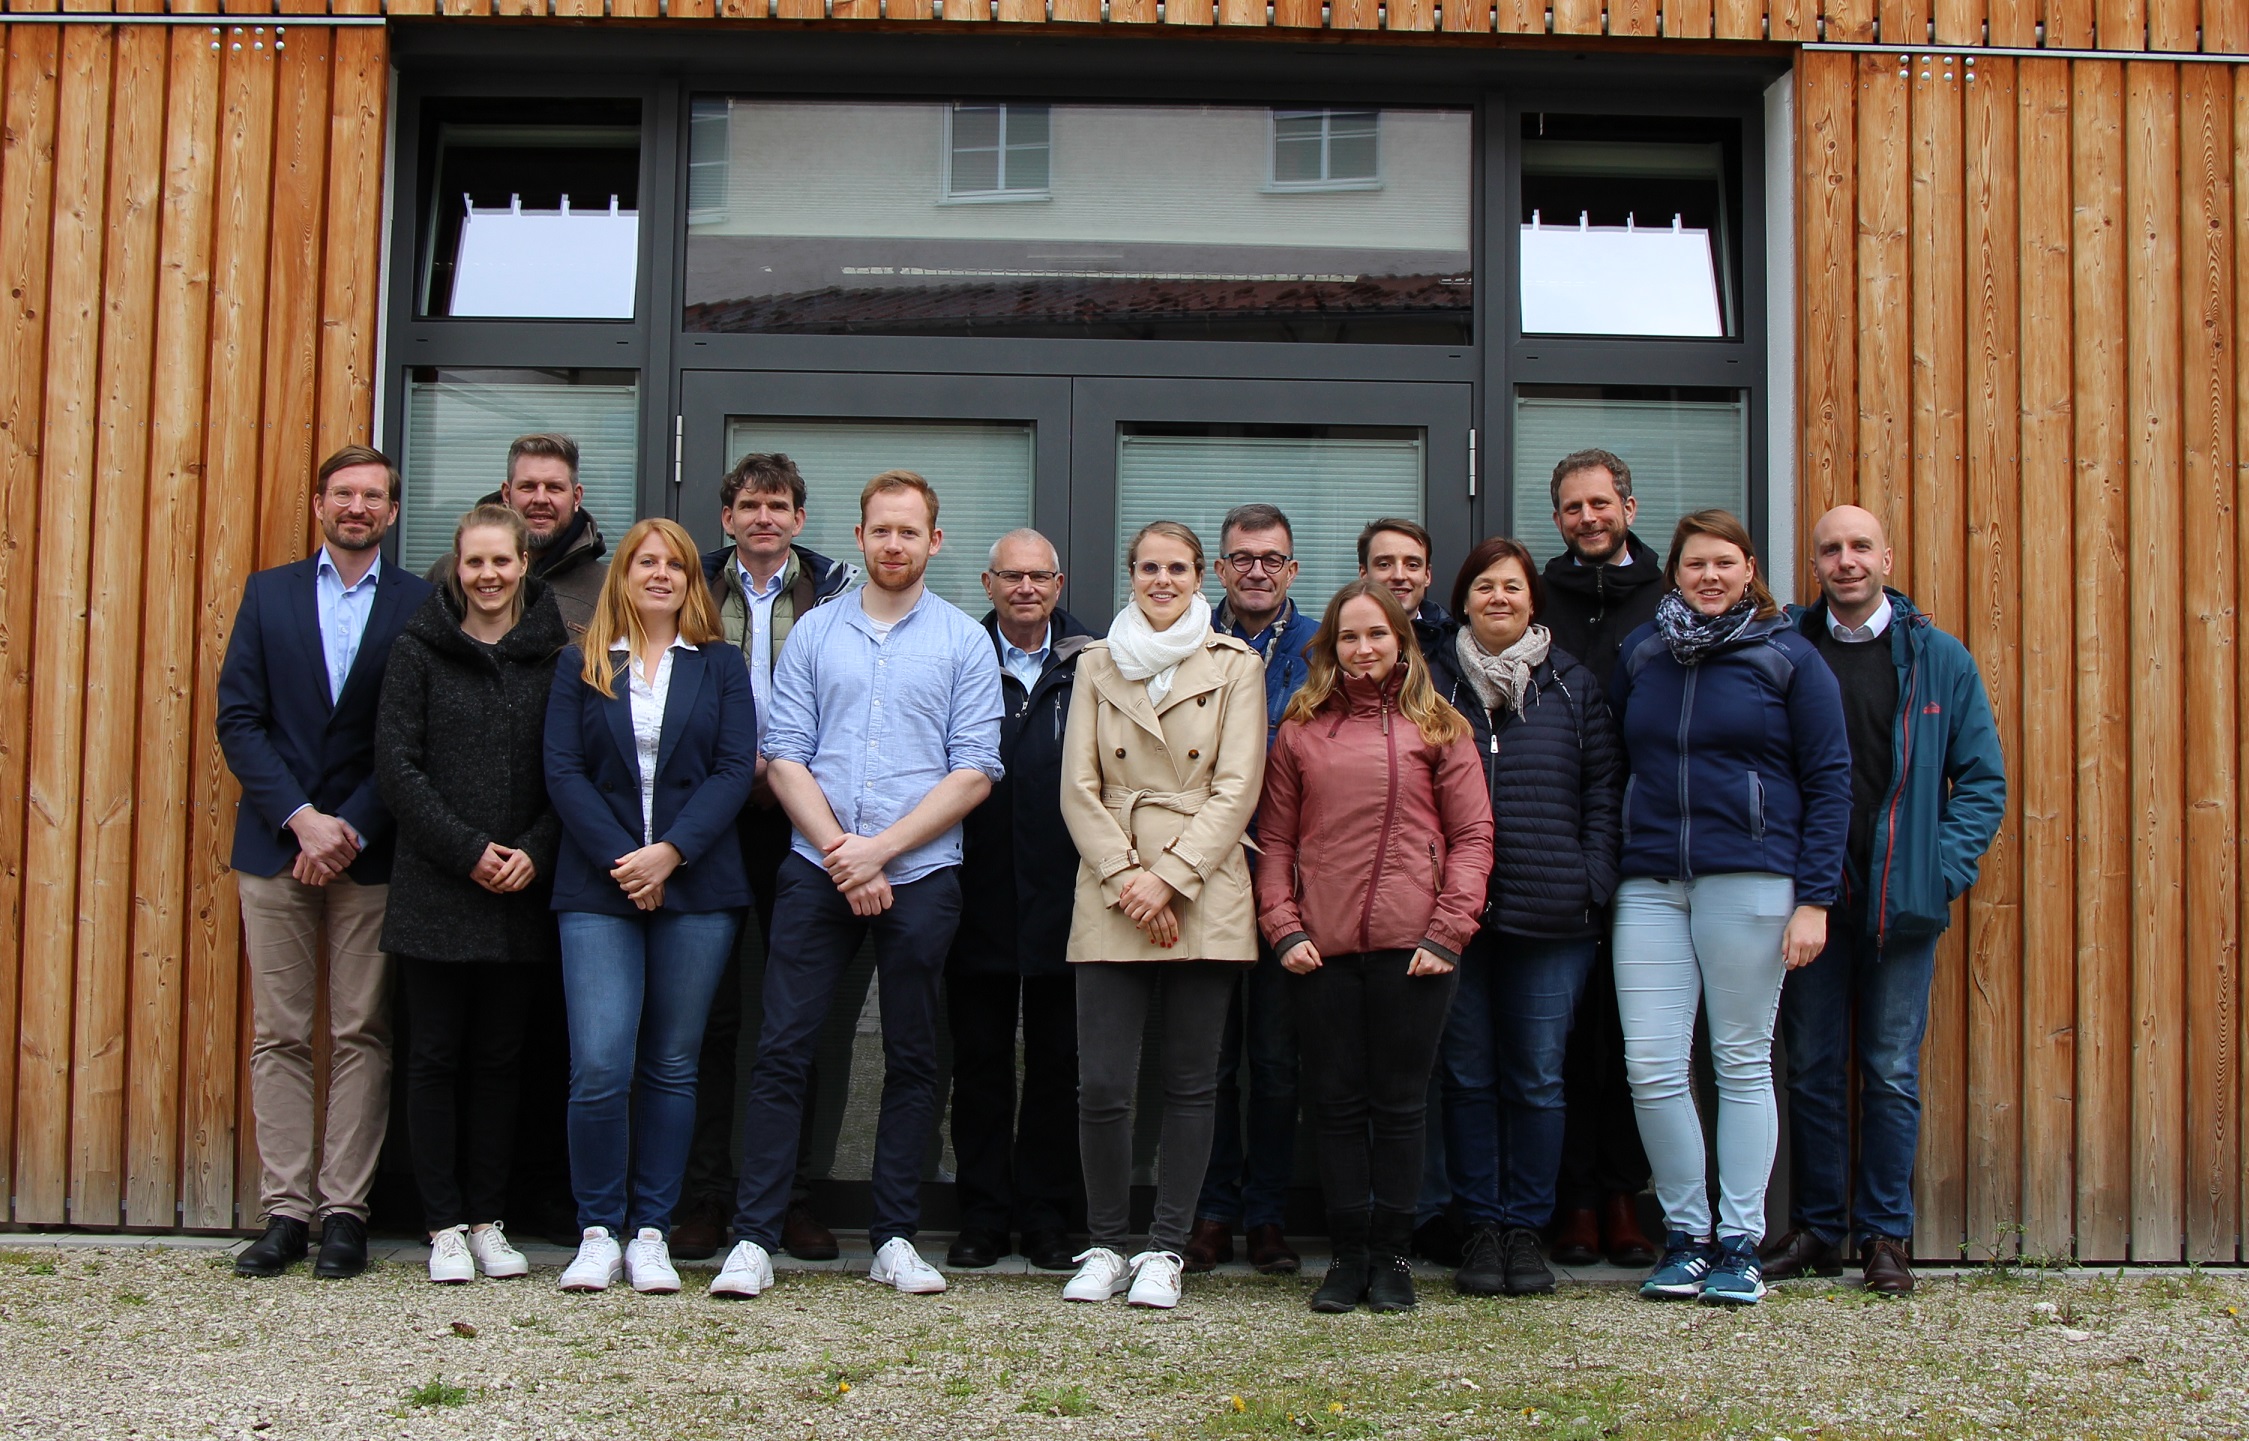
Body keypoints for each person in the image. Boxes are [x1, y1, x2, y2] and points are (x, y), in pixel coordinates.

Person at [712, 471, 1003, 1301]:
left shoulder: (959, 641)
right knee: (782, 1048)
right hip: (817, 866)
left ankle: (895, 1235)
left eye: (910, 532)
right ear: (859, 534)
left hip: (921, 872)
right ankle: (754, 1236)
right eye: (881, 530)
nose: (895, 544)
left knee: (914, 1056)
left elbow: (975, 767)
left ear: (933, 542)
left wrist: (881, 852)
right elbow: (785, 752)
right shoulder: (815, 633)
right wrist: (844, 849)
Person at [1608, 510, 1851, 1307]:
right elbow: (1616, 763)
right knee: (1650, 1066)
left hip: (1749, 880)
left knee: (1740, 1059)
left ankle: (1739, 1241)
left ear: (1748, 570)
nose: (1707, 576)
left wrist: (1814, 899)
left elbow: (1829, 782)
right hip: (1649, 883)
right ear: (1672, 574)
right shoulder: (1643, 654)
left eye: (1722, 563)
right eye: (1692, 565)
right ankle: (1686, 1237)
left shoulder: (1789, 657)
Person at [1762, 505, 2006, 1296]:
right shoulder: (1788, 651)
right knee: (1812, 1067)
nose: (1845, 560)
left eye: (1859, 546)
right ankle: (1819, 1229)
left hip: (1902, 900)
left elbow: (1980, 782)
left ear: (1886, 557)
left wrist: (1938, 870)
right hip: (1813, 898)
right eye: (1830, 549)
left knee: (1892, 1070)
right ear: (1815, 563)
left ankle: (1885, 1236)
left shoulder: (1937, 658)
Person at [217, 445, 434, 1281]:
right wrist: (303, 820)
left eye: (372, 495)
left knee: (361, 1031)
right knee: (279, 1033)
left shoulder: (419, 603)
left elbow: (411, 734)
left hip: (370, 852)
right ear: (319, 504)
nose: (356, 506)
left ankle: (345, 1211)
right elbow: (240, 719)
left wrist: (348, 825)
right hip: (275, 844)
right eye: (343, 493)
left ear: (389, 509)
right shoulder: (267, 594)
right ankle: (284, 1212)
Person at [1256, 581, 1493, 1314]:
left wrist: (1448, 929)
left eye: (1376, 636)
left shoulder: (1441, 725)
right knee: (1332, 1104)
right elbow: (1274, 841)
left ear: (1401, 642)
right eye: (1348, 637)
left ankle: (1391, 1256)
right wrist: (1283, 926)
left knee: (1398, 1106)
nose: (1363, 649)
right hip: (1320, 950)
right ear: (1328, 647)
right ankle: (1346, 1254)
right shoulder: (1300, 728)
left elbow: (1473, 838)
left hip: (1415, 947)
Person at [544, 518, 757, 1296]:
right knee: (600, 1062)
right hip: (597, 886)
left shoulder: (723, 665)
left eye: (674, 563)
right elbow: (562, 772)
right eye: (645, 562)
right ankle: (599, 1228)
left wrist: (671, 851)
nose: (661, 573)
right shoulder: (582, 663)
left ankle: (652, 1231)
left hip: (696, 885)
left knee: (672, 1064)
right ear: (622, 576)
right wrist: (624, 860)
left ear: (691, 581)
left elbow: (736, 770)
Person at [1057, 521, 1266, 1311]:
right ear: (1130, 572)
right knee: (1103, 1083)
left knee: (1189, 1082)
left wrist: (1169, 878)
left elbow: (1238, 784)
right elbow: (1076, 784)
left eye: (1176, 567)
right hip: (1111, 884)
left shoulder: (1233, 665)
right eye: (1148, 566)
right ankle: (1108, 1241)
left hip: (1201, 889)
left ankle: (1166, 1248)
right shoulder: (1096, 663)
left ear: (1198, 574)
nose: (1162, 579)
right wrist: (1124, 876)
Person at [672, 452, 863, 1264]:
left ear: (798, 518)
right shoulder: (691, 585)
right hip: (710, 819)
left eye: (778, 505)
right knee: (709, 1016)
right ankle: (706, 1196)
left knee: (800, 1016)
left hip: (807, 817)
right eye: (749, 504)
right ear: (726, 517)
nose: (763, 518)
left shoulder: (835, 589)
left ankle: (789, 1195)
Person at [375, 505, 568, 1284]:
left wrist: (534, 851)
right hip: (436, 888)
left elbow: (575, 770)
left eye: (501, 561)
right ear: (456, 569)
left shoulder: (557, 657)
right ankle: (442, 1222)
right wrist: (464, 851)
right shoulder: (419, 650)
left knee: (500, 1059)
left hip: (520, 889)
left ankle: (489, 1219)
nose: (488, 576)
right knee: (432, 1057)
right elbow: (397, 767)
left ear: (525, 564)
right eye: (474, 563)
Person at [1427, 538, 1623, 1298]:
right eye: (1483, 586)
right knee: (1469, 1076)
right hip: (1455, 920)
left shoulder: (1572, 685)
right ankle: (1479, 1223)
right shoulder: (1433, 685)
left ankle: (1524, 1228)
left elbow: (1604, 790)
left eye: (1511, 586)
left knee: (1537, 1078)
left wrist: (1591, 879)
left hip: (1553, 919)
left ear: (1531, 599)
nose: (1498, 598)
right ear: (1464, 600)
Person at [944, 529, 1097, 1273]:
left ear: (1058, 583)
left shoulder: (1093, 663)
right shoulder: (957, 655)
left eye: (1039, 576)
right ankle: (981, 1214)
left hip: (1070, 896)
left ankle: (1046, 1218)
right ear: (988, 582)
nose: (1026, 588)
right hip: (972, 891)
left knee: (1056, 1067)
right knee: (976, 1066)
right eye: (1012, 576)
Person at [1536, 448, 1666, 1270]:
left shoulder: (1668, 599)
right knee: (1562, 1032)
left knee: (1630, 1033)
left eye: (1599, 503)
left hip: (1647, 843)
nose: (1587, 518)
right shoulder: (1536, 596)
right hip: (1555, 842)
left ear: (1628, 504)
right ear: (1556, 519)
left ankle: (1625, 1195)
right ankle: (1572, 1198)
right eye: (1572, 507)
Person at [1186, 502, 1319, 1278]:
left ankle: (1266, 1214)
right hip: (1203, 874)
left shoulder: (1318, 648)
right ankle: (1209, 1211)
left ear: (1292, 569)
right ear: (1219, 569)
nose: (1257, 570)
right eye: (1242, 558)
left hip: (1286, 879)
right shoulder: (1186, 641)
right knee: (1206, 1058)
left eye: (1272, 558)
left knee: (1273, 1060)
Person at [424, 433, 608, 636]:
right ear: (506, 494)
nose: (540, 499)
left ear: (576, 497)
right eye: (527, 487)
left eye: (554, 488)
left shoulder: (605, 589)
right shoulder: (450, 572)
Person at [1357, 517, 1449, 653]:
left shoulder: (1454, 647)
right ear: (1364, 574)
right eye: (1384, 565)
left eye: (1412, 565)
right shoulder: (1333, 646)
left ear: (1427, 576)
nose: (1399, 576)